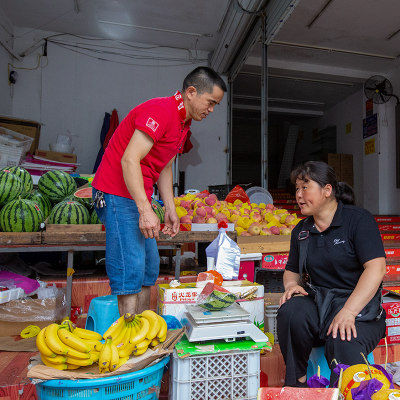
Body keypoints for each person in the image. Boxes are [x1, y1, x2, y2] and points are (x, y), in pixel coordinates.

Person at [92, 66, 226, 316]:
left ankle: (141, 329)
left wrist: (169, 208)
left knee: (149, 268)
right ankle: (129, 340)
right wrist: (145, 209)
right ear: (191, 92)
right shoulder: (161, 111)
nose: (211, 110)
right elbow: (129, 160)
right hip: (115, 192)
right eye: (210, 103)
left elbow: (163, 166)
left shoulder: (183, 124)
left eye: (215, 105)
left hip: (137, 194)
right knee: (130, 267)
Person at [277, 161, 386, 387]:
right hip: (321, 306)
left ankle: (348, 391)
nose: (299, 195)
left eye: (305, 187)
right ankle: (297, 383)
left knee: (342, 339)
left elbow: (376, 268)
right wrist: (291, 286)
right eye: (297, 189)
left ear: (327, 190)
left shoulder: (358, 220)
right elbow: (292, 271)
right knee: (291, 310)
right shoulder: (301, 231)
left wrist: (349, 311)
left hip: (359, 310)